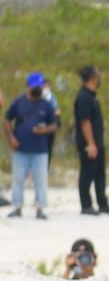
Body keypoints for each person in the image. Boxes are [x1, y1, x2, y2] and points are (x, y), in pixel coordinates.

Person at [7, 73, 60, 219]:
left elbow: (55, 125)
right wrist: (11, 137)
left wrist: (45, 130)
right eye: (35, 86)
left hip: (40, 150)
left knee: (41, 180)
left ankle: (40, 208)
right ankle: (17, 207)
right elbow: (7, 120)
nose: (38, 88)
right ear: (28, 87)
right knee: (18, 179)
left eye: (40, 86)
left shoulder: (47, 104)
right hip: (20, 149)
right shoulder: (19, 102)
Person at [74, 66, 109, 216]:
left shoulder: (92, 96)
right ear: (92, 77)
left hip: (98, 141)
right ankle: (86, 205)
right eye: (97, 74)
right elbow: (85, 122)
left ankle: (102, 203)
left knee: (100, 174)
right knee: (87, 173)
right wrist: (90, 143)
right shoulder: (83, 97)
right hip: (89, 143)